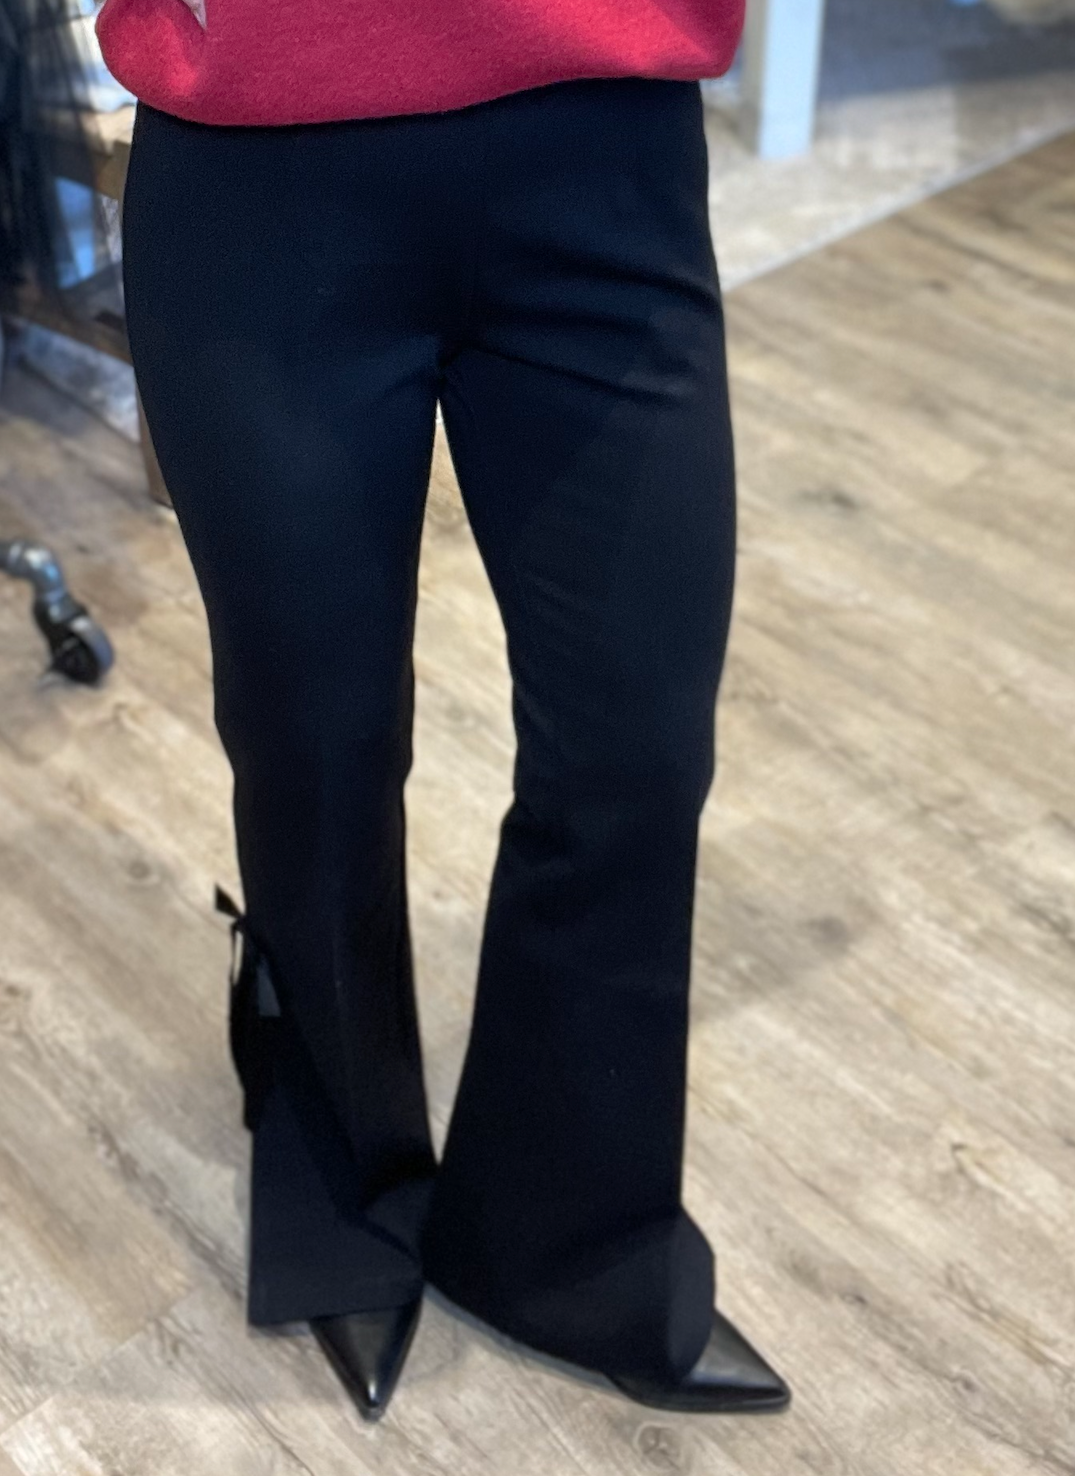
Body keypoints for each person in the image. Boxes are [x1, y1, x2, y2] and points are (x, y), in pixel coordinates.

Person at [96, 0, 792, 1423]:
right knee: (314, 741)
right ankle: (342, 1195)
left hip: (606, 144)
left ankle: (574, 1242)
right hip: (260, 169)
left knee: (636, 744)